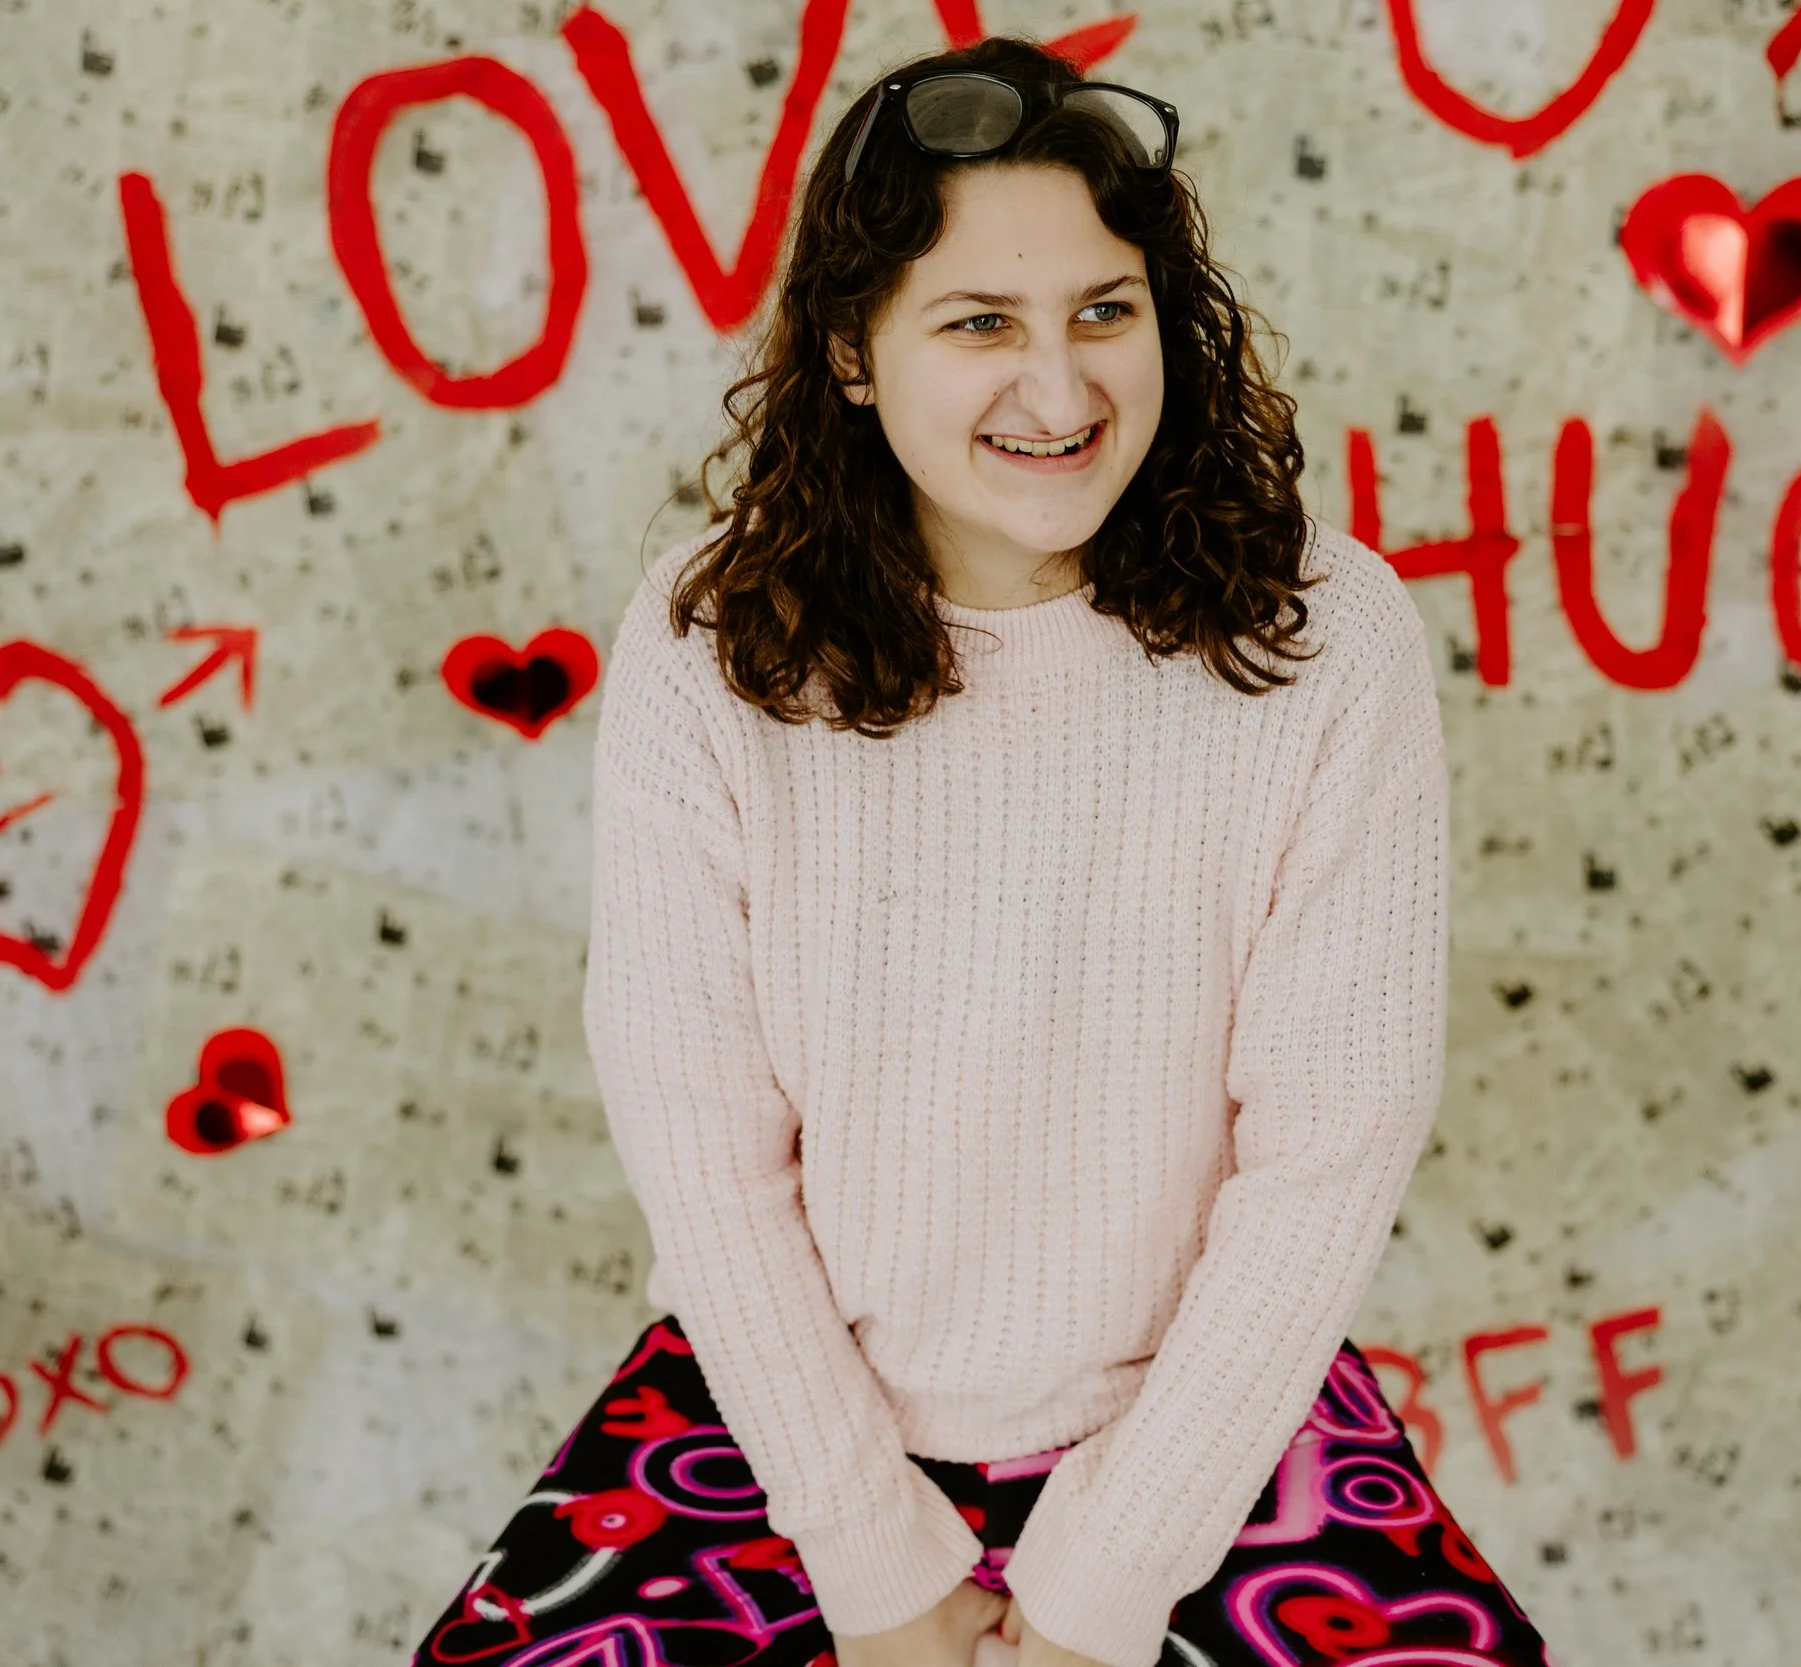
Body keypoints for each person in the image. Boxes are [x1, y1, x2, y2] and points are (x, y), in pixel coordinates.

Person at [412, 32, 1550, 1667]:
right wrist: (876, 1569)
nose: (1063, 388)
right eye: (979, 324)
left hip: (1203, 1434)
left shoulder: (1325, 634)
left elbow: (1331, 1141)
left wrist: (1103, 1588)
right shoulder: (708, 641)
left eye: (1106, 310)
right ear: (856, 355)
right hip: (791, 1432)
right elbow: (702, 1142)